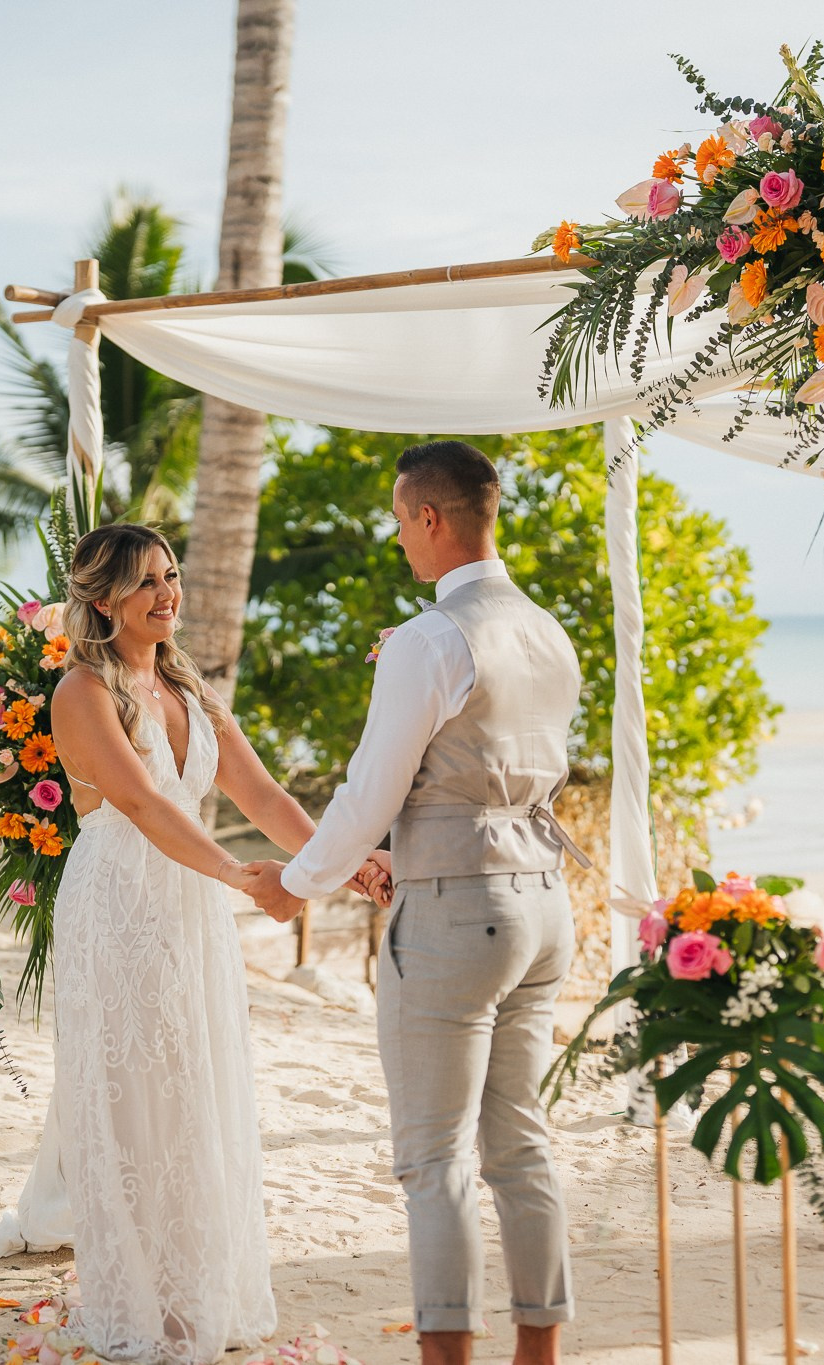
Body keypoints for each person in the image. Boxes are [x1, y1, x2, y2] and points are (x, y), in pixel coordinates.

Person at [240, 440, 589, 1365]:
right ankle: (540, 1353)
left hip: (456, 917)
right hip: (544, 905)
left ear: (430, 517)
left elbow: (370, 794)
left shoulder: (428, 640)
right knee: (521, 1144)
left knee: (433, 1158)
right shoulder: (547, 631)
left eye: (401, 522)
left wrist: (296, 882)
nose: (399, 540)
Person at [48, 522, 385, 1365]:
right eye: (146, 581)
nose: (167, 593)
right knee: (137, 1098)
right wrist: (240, 875)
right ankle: (140, 1298)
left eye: (171, 575)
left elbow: (263, 795)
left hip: (190, 907)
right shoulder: (81, 692)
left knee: (196, 1088)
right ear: (103, 600)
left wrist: (342, 861)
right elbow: (142, 805)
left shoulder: (190, 691)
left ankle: (196, 1290)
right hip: (119, 903)